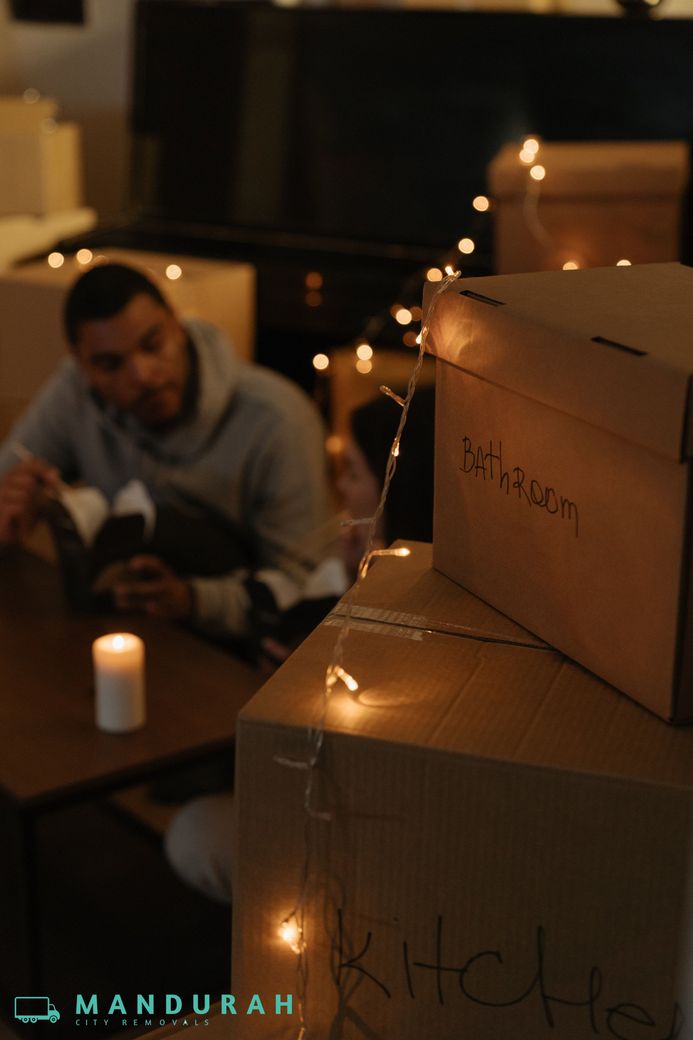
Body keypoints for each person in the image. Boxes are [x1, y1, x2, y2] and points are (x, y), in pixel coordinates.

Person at [165, 386, 436, 903]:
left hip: (356, 818)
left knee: (195, 834)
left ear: (396, 487)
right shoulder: (356, 563)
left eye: (354, 473)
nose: (339, 486)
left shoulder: (405, 611)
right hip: (301, 772)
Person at [0, 262, 329, 642]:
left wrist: (195, 600)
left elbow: (307, 590)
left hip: (237, 653)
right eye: (110, 364)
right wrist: (13, 503)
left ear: (177, 324)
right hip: (120, 631)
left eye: (153, 345)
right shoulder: (75, 392)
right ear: (82, 364)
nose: (141, 374)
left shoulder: (277, 420)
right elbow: (10, 474)